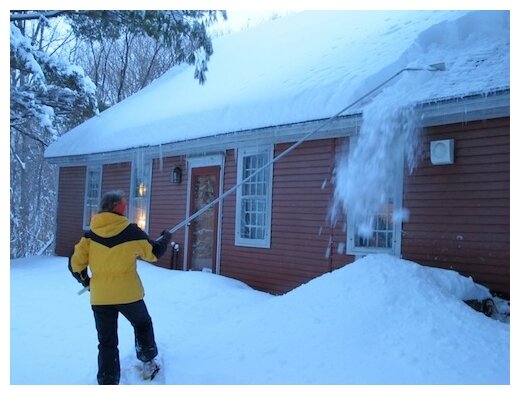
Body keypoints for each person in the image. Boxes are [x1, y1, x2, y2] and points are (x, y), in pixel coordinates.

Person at [69, 190, 172, 384]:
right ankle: (148, 362)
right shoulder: (132, 231)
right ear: (116, 207)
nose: (126, 207)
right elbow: (153, 253)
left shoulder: (90, 236)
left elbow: (75, 265)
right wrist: (165, 238)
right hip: (128, 295)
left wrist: (86, 281)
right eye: (124, 204)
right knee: (142, 324)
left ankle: (108, 381)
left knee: (106, 341)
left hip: (101, 297)